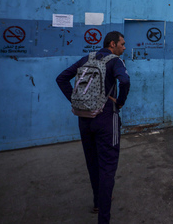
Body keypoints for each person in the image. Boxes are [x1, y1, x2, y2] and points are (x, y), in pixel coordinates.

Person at [56, 31, 130, 223]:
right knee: (107, 167)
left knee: (92, 161)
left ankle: (98, 201)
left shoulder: (86, 59)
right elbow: (125, 81)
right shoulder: (115, 61)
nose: (124, 47)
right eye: (122, 44)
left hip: (84, 118)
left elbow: (61, 78)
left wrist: (74, 100)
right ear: (112, 44)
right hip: (106, 119)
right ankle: (103, 218)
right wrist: (119, 103)